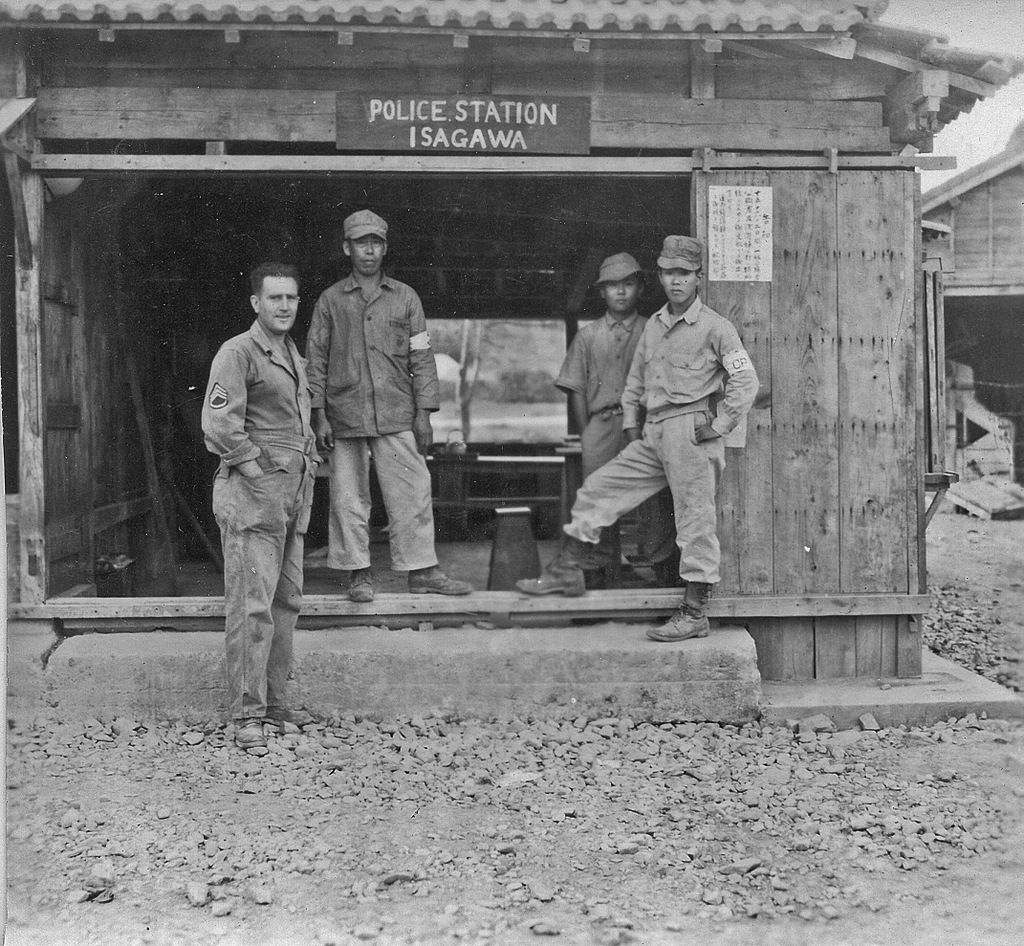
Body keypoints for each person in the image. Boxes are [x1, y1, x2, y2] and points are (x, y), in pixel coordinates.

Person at [518, 236, 759, 643]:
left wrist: (720, 425)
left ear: (698, 277)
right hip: (654, 431)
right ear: (659, 277)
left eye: (683, 273)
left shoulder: (716, 327)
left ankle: (694, 611)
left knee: (693, 520)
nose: (675, 281)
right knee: (598, 488)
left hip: (690, 430)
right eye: (668, 273)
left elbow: (745, 380)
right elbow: (635, 383)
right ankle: (568, 568)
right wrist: (632, 426)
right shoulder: (655, 326)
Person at [306, 209, 472, 602]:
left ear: (385, 248)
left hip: (397, 411)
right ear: (346, 248)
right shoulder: (331, 300)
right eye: (360, 243)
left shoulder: (406, 297)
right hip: (345, 412)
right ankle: (358, 574)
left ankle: (422, 570)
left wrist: (424, 413)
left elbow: (422, 358)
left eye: (376, 243)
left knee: (412, 490)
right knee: (348, 496)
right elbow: (316, 358)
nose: (369, 251)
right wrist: (318, 414)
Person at [202, 262, 318, 752]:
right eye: (275, 298)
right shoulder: (239, 352)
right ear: (256, 303)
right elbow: (219, 424)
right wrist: (257, 474)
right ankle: (247, 713)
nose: (285, 306)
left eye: (291, 298)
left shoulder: (293, 355)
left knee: (285, 601)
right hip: (254, 496)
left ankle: (275, 703)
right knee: (252, 605)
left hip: (292, 494)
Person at [554, 252, 677, 588]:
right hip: (603, 424)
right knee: (598, 497)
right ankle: (599, 576)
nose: (620, 291)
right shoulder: (588, 336)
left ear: (641, 288)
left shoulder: (654, 329)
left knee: (654, 496)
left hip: (645, 425)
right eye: (612, 285)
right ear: (601, 292)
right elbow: (576, 388)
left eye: (628, 283)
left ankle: (662, 572)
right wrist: (588, 432)